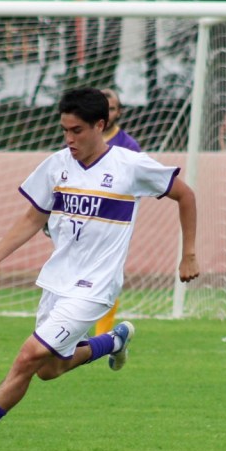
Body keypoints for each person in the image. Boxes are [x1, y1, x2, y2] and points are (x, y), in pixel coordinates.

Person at [0, 87, 198, 451]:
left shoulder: (130, 165)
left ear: (100, 125)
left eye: (77, 131)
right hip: (57, 281)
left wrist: (189, 255)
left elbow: (186, 195)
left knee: (26, 358)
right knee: (48, 370)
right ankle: (112, 341)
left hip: (95, 287)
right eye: (64, 130)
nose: (69, 139)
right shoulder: (57, 165)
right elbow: (32, 216)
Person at [95, 87, 142, 334]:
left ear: (119, 112)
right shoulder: (81, 140)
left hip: (112, 222)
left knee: (107, 276)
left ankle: (103, 333)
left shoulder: (128, 146)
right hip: (82, 221)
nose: (107, 112)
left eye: (111, 107)